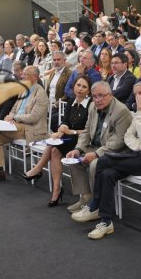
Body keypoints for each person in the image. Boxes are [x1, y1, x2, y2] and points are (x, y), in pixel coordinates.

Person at [71, 82, 141, 240]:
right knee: (107, 173)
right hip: (138, 155)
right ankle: (106, 221)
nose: (137, 97)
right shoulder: (140, 113)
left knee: (102, 162)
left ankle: (94, 205)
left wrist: (140, 113)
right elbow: (129, 137)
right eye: (135, 94)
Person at [64, 82, 133, 217]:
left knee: (95, 164)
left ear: (110, 95)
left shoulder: (121, 111)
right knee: (73, 159)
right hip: (96, 146)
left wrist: (96, 154)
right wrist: (78, 149)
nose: (97, 100)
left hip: (115, 152)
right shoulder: (92, 106)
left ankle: (98, 205)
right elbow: (86, 131)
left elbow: (118, 141)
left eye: (101, 96)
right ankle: (86, 198)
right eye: (94, 96)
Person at [23, 76, 92, 206]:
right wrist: (61, 130)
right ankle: (56, 189)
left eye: (84, 87)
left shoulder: (90, 105)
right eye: (78, 85)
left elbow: (90, 130)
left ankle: (38, 169)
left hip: (83, 140)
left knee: (54, 145)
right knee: (54, 149)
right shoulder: (71, 101)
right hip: (70, 138)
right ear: (74, 86)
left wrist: (70, 131)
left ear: (88, 91)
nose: (80, 89)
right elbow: (65, 121)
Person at [0, 66, 49, 185]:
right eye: (22, 74)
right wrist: (9, 116)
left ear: (35, 77)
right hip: (16, 125)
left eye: (25, 74)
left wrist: (14, 118)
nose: (22, 76)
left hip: (30, 128)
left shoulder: (41, 94)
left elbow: (33, 117)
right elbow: (14, 109)